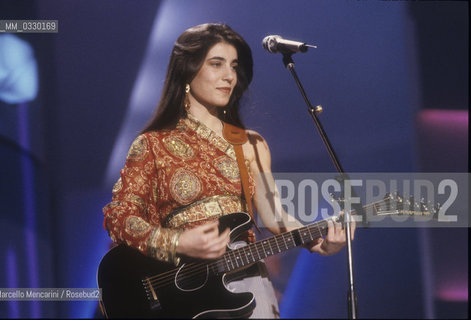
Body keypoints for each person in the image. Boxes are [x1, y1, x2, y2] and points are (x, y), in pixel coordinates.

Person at [102, 22, 355, 318]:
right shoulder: (151, 145)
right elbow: (119, 218)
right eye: (216, 64)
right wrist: (179, 241)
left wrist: (321, 243)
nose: (229, 76)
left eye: (234, 67)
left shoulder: (250, 144)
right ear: (187, 69)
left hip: (248, 285)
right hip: (180, 297)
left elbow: (275, 216)